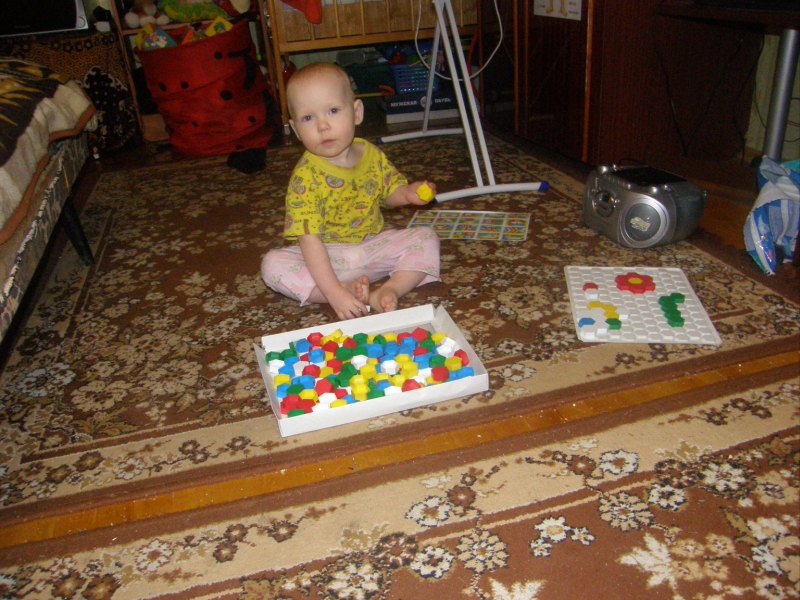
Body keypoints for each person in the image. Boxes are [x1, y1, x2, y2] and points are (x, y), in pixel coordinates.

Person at [261, 62, 441, 320]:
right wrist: (334, 292)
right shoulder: (305, 178)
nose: (322, 126)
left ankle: (389, 290)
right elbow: (309, 241)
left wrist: (407, 193)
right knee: (272, 265)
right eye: (308, 118)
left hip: (374, 248)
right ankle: (342, 291)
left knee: (426, 236)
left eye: (333, 111)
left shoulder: (371, 154)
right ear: (296, 129)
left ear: (356, 112)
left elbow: (389, 191)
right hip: (326, 259)